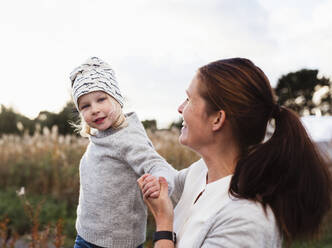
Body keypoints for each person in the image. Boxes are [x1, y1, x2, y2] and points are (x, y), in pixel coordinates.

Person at [138, 58, 332, 247]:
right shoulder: (201, 172)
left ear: (217, 119)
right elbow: (166, 182)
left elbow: (166, 204)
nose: (180, 108)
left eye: (189, 99)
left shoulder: (247, 221)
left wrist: (163, 225)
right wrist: (125, 130)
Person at [70, 57, 177, 248]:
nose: (94, 109)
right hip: (85, 236)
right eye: (85, 105)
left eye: (101, 99)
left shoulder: (126, 137)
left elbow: (156, 164)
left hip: (117, 243)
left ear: (117, 99)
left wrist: (160, 182)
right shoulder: (101, 135)